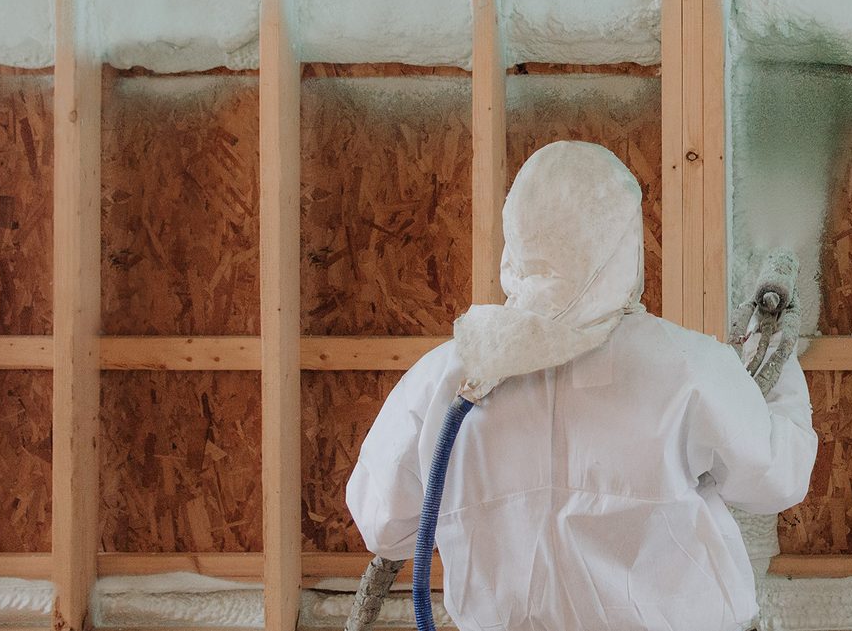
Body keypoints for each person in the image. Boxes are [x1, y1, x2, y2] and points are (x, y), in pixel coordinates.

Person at [346, 141, 817, 631]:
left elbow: (385, 526)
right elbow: (775, 480)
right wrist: (779, 363)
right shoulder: (689, 367)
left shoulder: (448, 378)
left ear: (518, 237)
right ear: (625, 241)